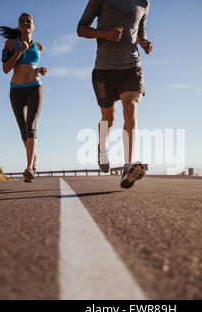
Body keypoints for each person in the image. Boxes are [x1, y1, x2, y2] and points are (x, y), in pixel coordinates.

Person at [77, 0, 153, 189]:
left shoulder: (144, 3)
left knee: (131, 108)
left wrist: (143, 41)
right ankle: (102, 148)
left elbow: (141, 28)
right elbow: (81, 29)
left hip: (131, 67)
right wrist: (104, 34)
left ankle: (128, 167)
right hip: (104, 70)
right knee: (108, 118)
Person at [0, 13, 47, 183]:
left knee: (31, 125)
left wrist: (40, 70)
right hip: (16, 90)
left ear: (34, 27)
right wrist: (20, 49)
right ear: (19, 26)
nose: (25, 23)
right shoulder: (11, 43)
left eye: (28, 21)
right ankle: (33, 159)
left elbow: (32, 66)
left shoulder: (39, 47)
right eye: (22, 21)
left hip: (35, 88)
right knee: (23, 131)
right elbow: (6, 68)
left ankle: (29, 168)